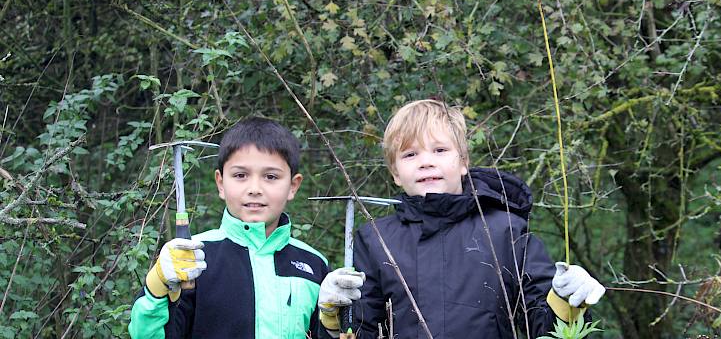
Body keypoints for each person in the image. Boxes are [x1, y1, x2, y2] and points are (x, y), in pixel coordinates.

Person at [317, 99, 606, 339]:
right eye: (410, 154)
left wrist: (566, 300)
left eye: (440, 150)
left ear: (464, 161)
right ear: (395, 173)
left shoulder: (506, 230)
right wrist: (334, 320)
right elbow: (363, 330)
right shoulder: (374, 239)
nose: (426, 161)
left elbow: (543, 328)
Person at [129, 117, 329, 339]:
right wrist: (156, 287)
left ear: (293, 186)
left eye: (270, 176)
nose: (255, 188)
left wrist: (333, 324)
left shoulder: (314, 265)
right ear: (221, 183)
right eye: (240, 175)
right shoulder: (191, 258)